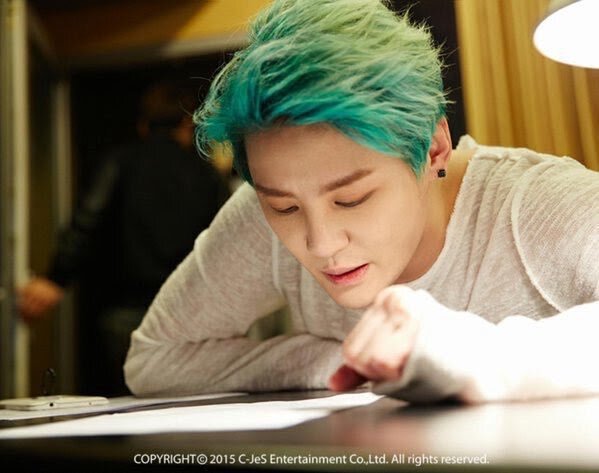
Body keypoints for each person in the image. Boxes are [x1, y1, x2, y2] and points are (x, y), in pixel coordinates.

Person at [123, 0, 599, 404]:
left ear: (434, 148)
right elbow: (154, 357)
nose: (321, 243)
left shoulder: (537, 203)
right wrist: (340, 358)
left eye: (351, 199)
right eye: (285, 208)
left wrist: (478, 355)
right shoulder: (259, 210)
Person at [19, 80, 231, 396]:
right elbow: (224, 242)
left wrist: (55, 278)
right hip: (188, 310)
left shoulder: (121, 161)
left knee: (124, 402)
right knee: (186, 403)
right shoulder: (207, 175)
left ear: (144, 125)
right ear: (186, 125)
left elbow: (88, 219)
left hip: (125, 308)